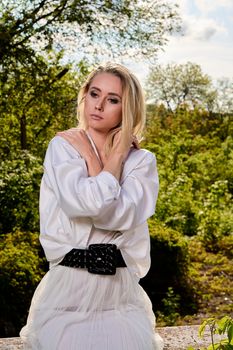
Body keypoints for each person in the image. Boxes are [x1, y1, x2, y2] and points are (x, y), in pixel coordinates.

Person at [20, 62, 164, 350]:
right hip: (68, 290)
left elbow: (116, 216)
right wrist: (97, 156)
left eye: (112, 100)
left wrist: (116, 154)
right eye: (94, 94)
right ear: (84, 96)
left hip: (119, 294)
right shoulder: (64, 147)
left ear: (127, 108)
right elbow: (82, 205)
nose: (98, 105)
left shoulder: (141, 161)